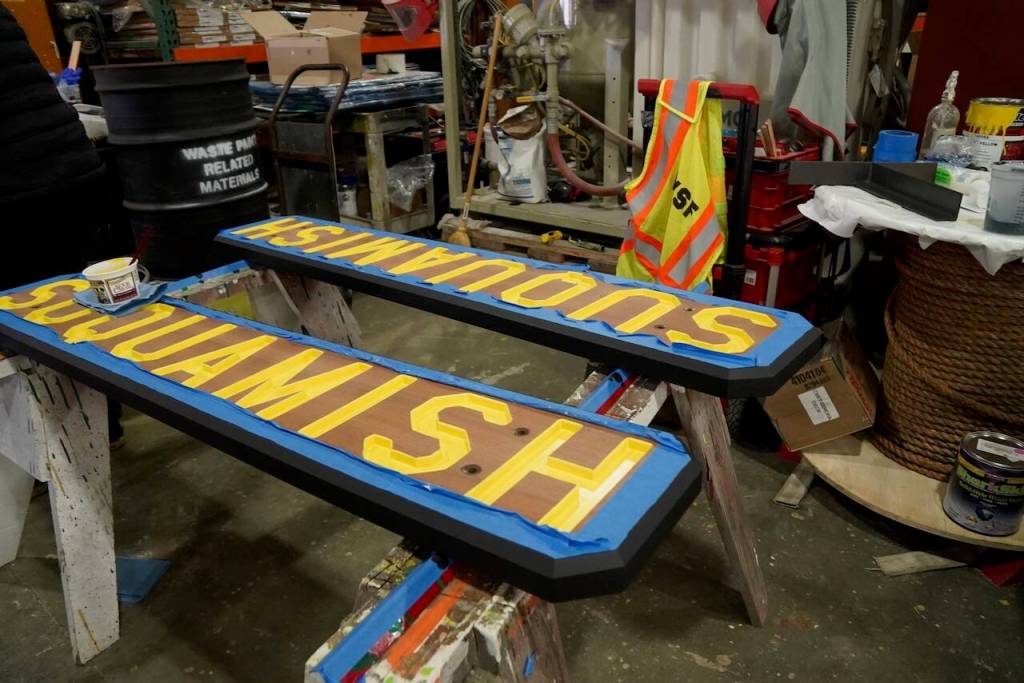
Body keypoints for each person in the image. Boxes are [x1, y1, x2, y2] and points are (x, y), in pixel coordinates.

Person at [0, 6, 123, 444]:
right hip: (69, 168)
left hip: (16, 188)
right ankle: (102, 427)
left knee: (25, 321)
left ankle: (55, 447)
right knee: (71, 302)